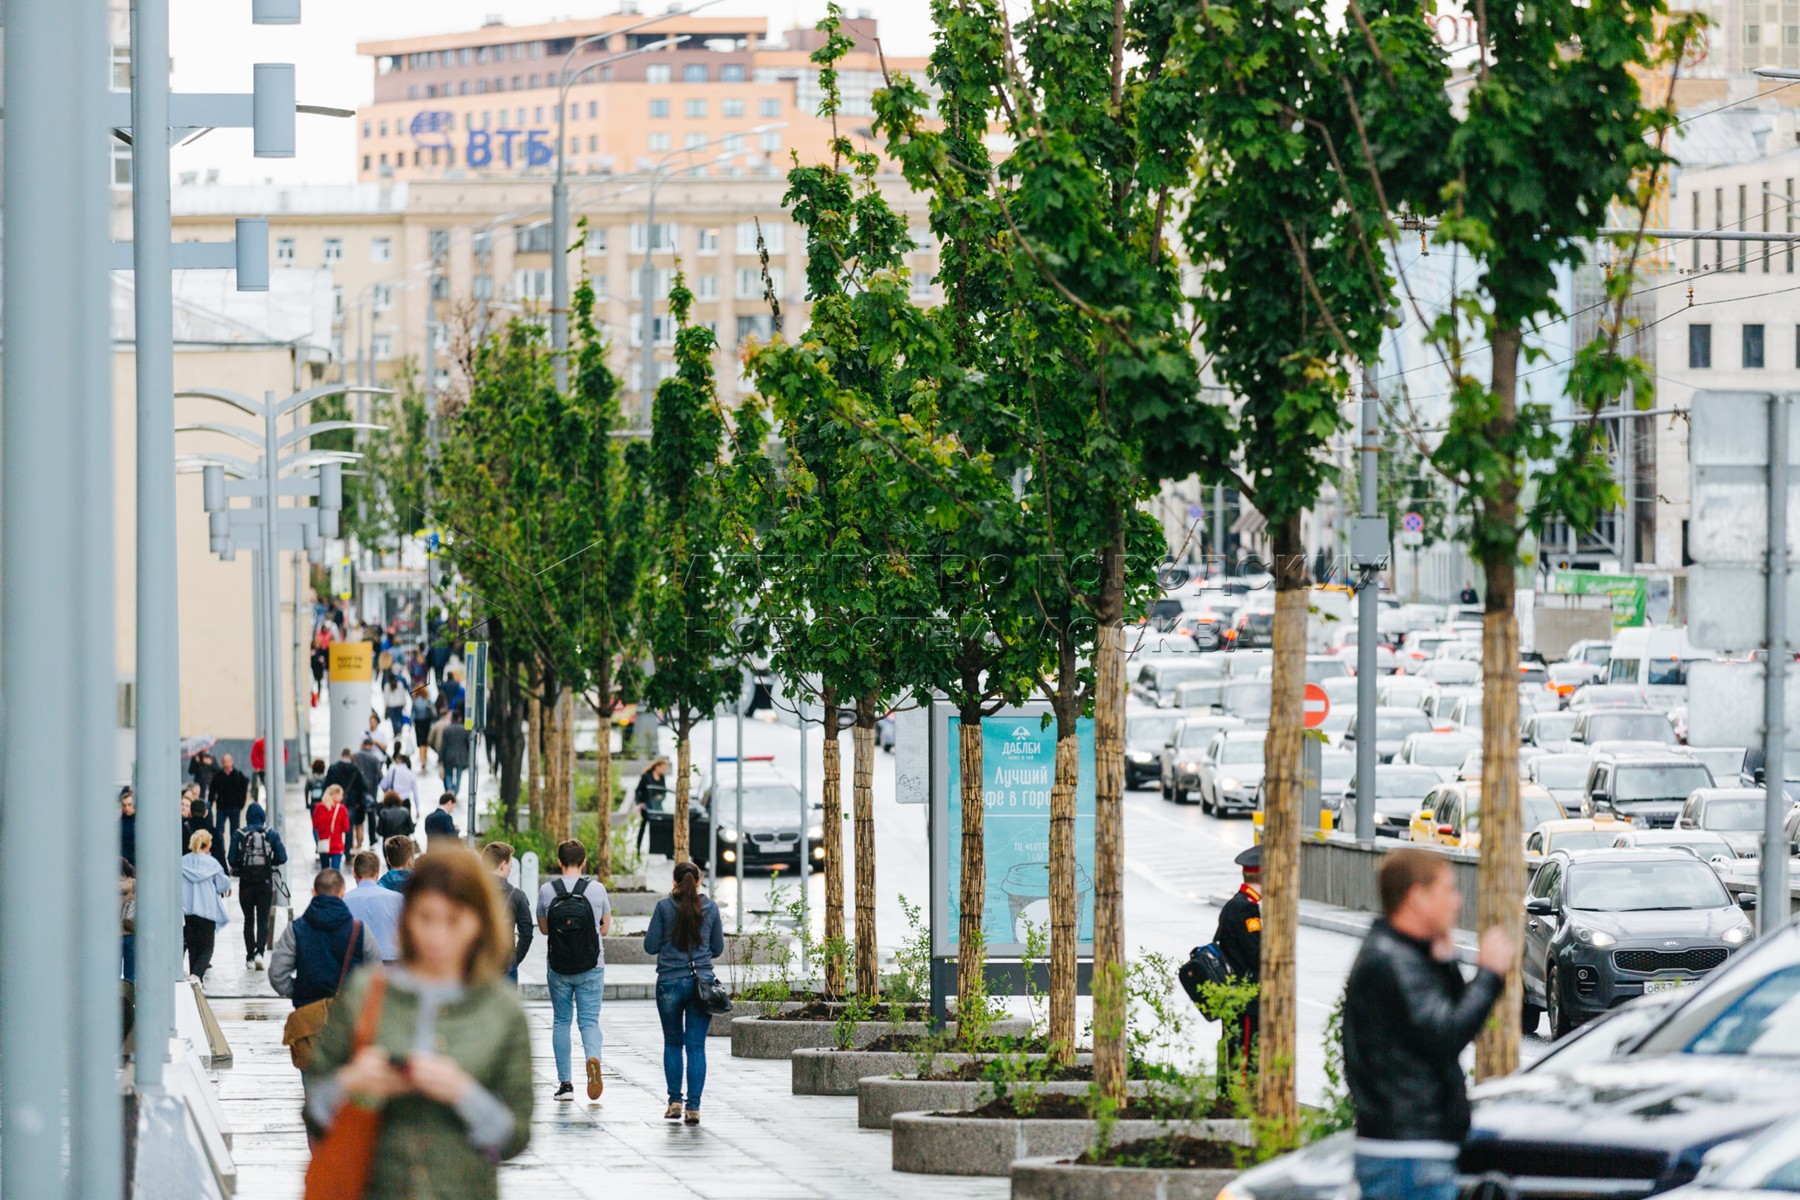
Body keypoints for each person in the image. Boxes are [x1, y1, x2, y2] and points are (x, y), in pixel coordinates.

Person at [303, 849, 534, 1197]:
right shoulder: (366, 992)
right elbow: (314, 1109)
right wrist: (353, 1082)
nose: (437, 936)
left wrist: (462, 1092)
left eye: (453, 920)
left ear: (479, 922)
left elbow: (515, 1135)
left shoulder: (501, 1010)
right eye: (425, 918)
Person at [1344, 849, 1513, 1200]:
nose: (1457, 901)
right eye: (1448, 890)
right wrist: (1489, 976)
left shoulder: (1402, 954)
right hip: (1407, 1153)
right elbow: (1445, 1033)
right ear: (1417, 897)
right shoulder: (1393, 960)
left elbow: (1441, 1020)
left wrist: (1447, 962)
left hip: (1411, 1149)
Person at [643, 860, 724, 1125]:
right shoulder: (710, 907)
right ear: (699, 881)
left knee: (673, 1043)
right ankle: (694, 1108)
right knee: (697, 1047)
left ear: (674, 881)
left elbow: (651, 945)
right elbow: (718, 948)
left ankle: (674, 1102)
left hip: (669, 982)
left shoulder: (664, 907)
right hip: (702, 982)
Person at [536, 839, 611, 1101]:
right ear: (584, 861)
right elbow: (604, 929)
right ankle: (593, 1058)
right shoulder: (597, 889)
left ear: (559, 862)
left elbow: (544, 929)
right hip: (592, 965)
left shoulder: (547, 890)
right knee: (589, 1021)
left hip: (559, 967)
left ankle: (565, 1085)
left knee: (561, 1021)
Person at [270, 868, 380, 1004]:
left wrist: (299, 992)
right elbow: (376, 972)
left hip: (308, 1012)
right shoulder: (359, 930)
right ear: (342, 892)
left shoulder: (296, 930)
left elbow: (277, 974)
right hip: (347, 1012)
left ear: (313, 892)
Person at [1211, 844, 1263, 1078]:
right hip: (1245, 997)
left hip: (1233, 994)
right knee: (1244, 1053)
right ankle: (1239, 1102)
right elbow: (1256, 954)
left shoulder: (1236, 904)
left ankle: (1228, 1098)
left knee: (1233, 1048)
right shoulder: (1247, 910)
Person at [230, 802, 289, 969]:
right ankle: (260, 954)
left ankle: (249, 956)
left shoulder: (239, 834)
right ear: (263, 816)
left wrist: (242, 866)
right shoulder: (271, 834)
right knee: (263, 920)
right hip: (265, 883)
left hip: (246, 884)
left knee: (248, 920)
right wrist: (270, 864)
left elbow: (231, 860)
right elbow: (283, 857)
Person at [181, 830, 231, 980]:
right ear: (208, 844)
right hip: (207, 910)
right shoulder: (212, 863)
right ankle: (196, 976)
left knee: (193, 948)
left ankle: (195, 980)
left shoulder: (183, 861)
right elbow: (223, 884)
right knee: (208, 947)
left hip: (187, 910)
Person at [483, 842, 534, 983]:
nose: (510, 870)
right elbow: (527, 933)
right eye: (510, 866)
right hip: (505, 964)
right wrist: (515, 959)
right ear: (503, 864)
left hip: (478, 965)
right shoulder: (517, 895)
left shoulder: (470, 891)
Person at [344, 850, 406, 963]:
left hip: (358, 964)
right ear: (377, 873)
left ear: (354, 873)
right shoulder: (397, 899)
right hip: (391, 961)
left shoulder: (344, 901)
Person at [209, 752, 250, 860]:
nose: (226, 764)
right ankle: (220, 851)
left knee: (234, 831)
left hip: (234, 807)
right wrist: (210, 803)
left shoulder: (238, 775)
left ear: (232, 762)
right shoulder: (218, 776)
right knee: (219, 831)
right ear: (222, 763)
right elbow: (212, 791)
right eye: (224, 762)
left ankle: (234, 853)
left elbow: (243, 790)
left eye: (228, 761)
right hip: (221, 807)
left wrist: (241, 804)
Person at [353, 736, 388, 849]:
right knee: (371, 816)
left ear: (362, 745)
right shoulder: (374, 758)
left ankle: (358, 843)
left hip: (358, 792)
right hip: (371, 791)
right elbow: (380, 776)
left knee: (358, 819)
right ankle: (372, 840)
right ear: (371, 746)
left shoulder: (355, 757)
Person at [312, 783, 352, 869]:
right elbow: (346, 828)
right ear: (335, 795)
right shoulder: (342, 809)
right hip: (337, 845)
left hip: (324, 844)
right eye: (341, 794)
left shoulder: (319, 807)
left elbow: (315, 825)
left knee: (325, 871)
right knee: (335, 872)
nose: (342, 797)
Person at [635, 758, 669, 854]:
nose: (664, 771)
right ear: (657, 767)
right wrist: (639, 803)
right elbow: (638, 790)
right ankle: (638, 848)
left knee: (660, 826)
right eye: (662, 768)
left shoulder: (662, 778)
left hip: (657, 806)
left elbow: (664, 791)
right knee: (643, 826)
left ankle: (660, 849)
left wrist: (660, 797)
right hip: (646, 806)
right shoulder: (646, 777)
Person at [437, 713, 472, 799]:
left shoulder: (447, 730)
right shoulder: (464, 729)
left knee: (448, 774)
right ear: (459, 718)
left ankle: (449, 789)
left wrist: (440, 758)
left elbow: (443, 745)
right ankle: (455, 791)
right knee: (458, 775)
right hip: (461, 756)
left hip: (448, 756)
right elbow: (468, 744)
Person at [120, 857, 137, 983]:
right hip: (130, 930)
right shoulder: (134, 885)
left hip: (110, 934)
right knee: (130, 972)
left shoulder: (102, 885)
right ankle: (129, 998)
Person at [382, 671, 410, 740]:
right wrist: (404, 703)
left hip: (391, 705)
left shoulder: (387, 686)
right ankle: (399, 732)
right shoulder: (399, 684)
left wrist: (385, 706)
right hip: (399, 704)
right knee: (399, 719)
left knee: (393, 720)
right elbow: (403, 695)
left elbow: (386, 698)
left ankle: (396, 733)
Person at [119, 786, 136, 868]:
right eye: (124, 805)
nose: (127, 808)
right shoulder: (120, 824)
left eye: (129, 805)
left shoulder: (140, 823)